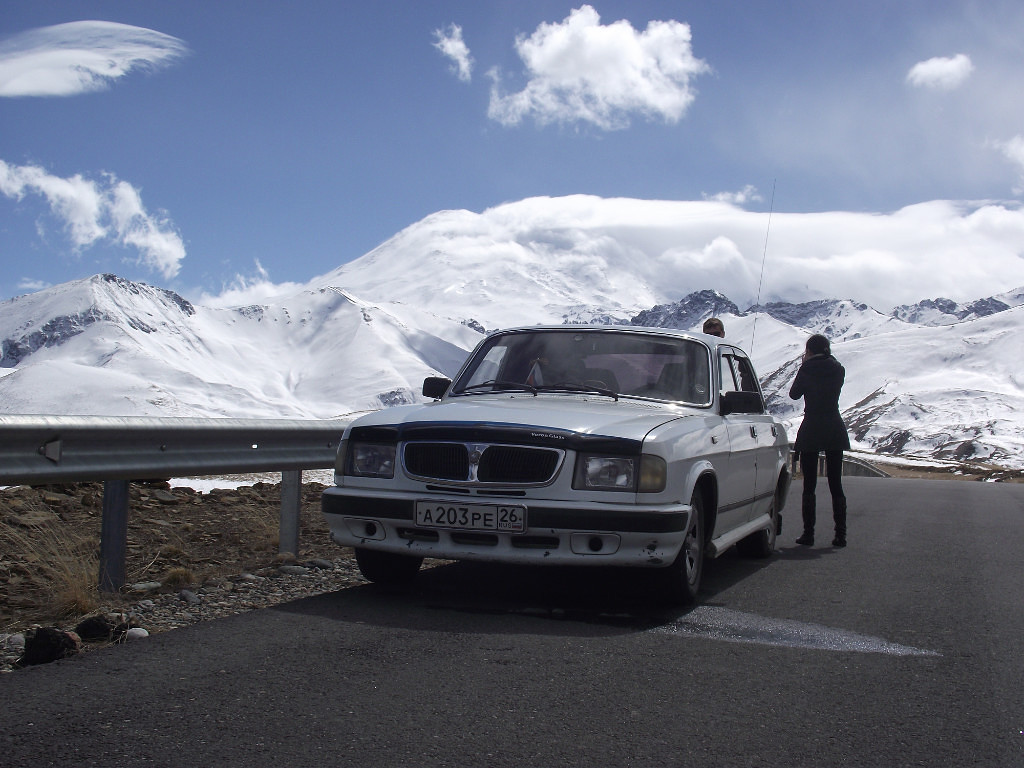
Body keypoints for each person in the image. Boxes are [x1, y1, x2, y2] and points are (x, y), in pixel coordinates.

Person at [788, 333, 850, 547]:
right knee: (835, 483)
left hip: (812, 425)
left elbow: (794, 395)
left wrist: (803, 366)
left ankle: (809, 533)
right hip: (834, 424)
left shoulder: (807, 369)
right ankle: (840, 534)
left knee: (809, 484)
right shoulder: (838, 369)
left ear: (810, 351)